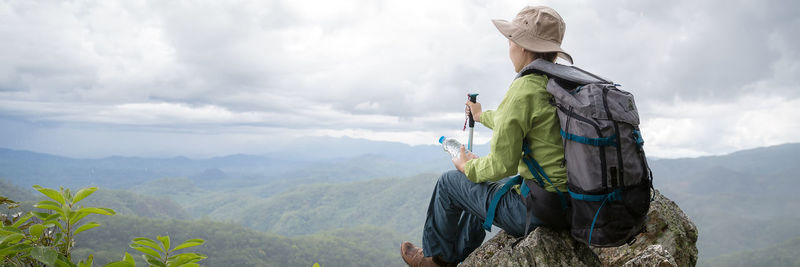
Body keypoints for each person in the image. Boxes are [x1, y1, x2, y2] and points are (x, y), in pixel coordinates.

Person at [401, 6, 573, 267]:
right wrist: (481, 116)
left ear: (523, 46)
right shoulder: (559, 83)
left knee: (452, 181)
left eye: (511, 40)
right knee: (484, 181)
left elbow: (501, 165)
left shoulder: (525, 88)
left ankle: (436, 259)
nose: (509, 47)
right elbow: (520, 121)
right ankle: (458, 254)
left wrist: (466, 165)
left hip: (540, 212)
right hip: (571, 204)